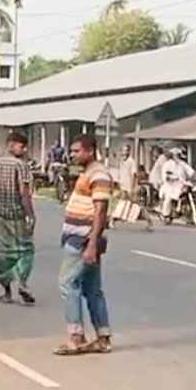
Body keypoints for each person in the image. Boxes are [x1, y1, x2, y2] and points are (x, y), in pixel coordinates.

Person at [55, 134, 113, 356]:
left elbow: (100, 211)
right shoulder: (87, 173)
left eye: (77, 151)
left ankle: (76, 336)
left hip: (82, 239)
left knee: (67, 283)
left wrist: (92, 244)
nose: (72, 155)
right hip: (81, 238)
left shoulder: (98, 174)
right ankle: (103, 337)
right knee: (91, 289)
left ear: (90, 151)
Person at [0, 131, 37, 305]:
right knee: (25, 250)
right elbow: (24, 193)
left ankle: (7, 292)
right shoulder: (20, 166)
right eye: (21, 146)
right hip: (16, 215)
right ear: (11, 145)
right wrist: (30, 215)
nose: (24, 150)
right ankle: (23, 283)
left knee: (3, 252)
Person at [111, 144, 152, 230]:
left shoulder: (131, 161)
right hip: (123, 186)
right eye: (123, 150)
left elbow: (134, 175)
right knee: (120, 203)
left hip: (130, 187)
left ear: (129, 152)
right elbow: (120, 173)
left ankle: (149, 221)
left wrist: (134, 187)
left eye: (126, 150)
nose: (124, 152)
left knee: (137, 205)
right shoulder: (121, 161)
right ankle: (112, 220)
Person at [158, 148, 196, 219]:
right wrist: (169, 178)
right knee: (168, 198)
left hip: (182, 184)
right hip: (170, 185)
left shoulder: (182, 164)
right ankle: (165, 213)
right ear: (172, 155)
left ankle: (188, 211)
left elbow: (190, 171)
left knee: (192, 192)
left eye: (179, 155)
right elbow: (164, 175)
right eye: (176, 155)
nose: (178, 157)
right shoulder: (167, 164)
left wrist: (194, 175)